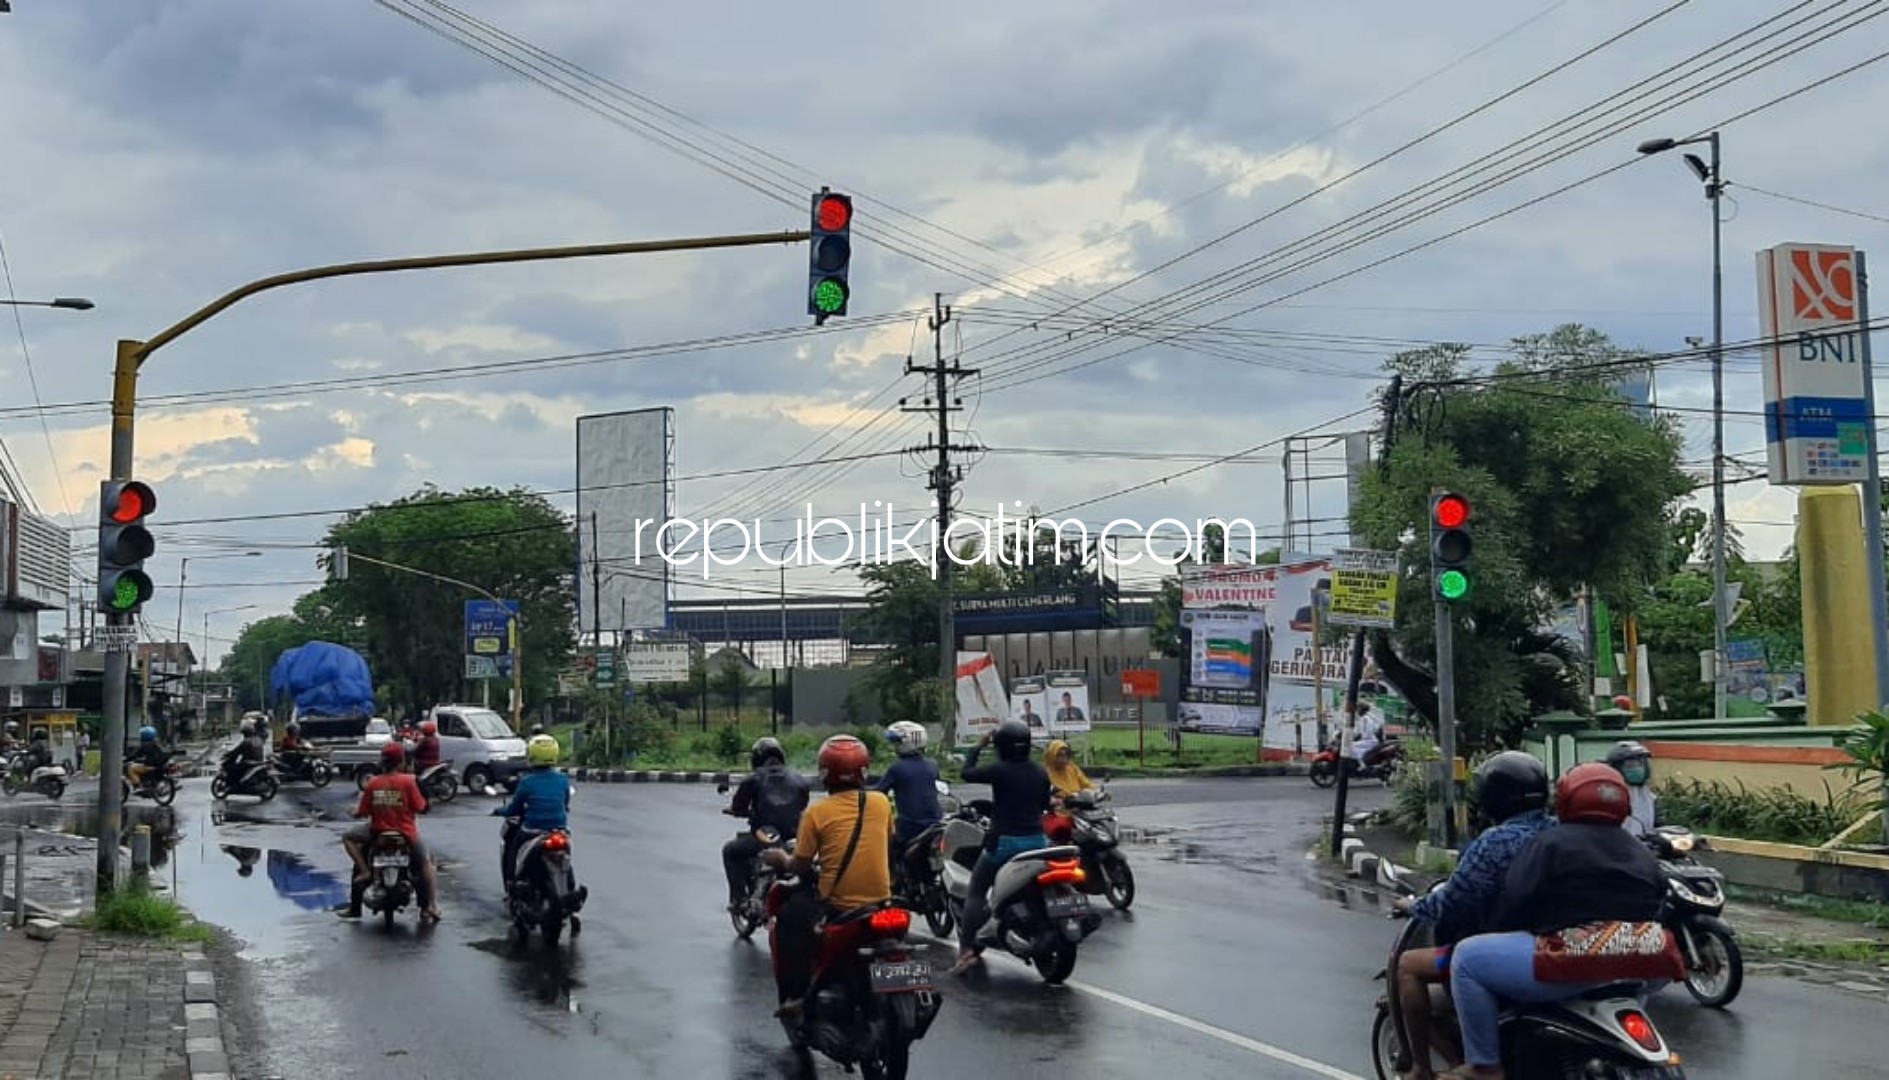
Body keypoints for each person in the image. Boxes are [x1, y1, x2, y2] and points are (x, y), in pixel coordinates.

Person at [1445, 764, 1684, 1079]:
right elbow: (1660, 901)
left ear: (1566, 800)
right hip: (1644, 962)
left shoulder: (1551, 843)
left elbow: (1516, 898)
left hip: (1575, 960)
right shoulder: (1640, 850)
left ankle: (1484, 1066)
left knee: (1467, 958)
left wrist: (1500, 930)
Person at [1389, 751, 1554, 1080]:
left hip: (1507, 946)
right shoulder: (1559, 831)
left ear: (1494, 798)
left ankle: (1422, 1068)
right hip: (1559, 941)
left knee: (1408, 965)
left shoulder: (1495, 842)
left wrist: (1413, 905)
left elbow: (1453, 901)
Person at [761, 734, 894, 1017]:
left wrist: (781, 858)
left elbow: (800, 865)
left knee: (787, 918)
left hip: (838, 904)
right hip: (881, 901)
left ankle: (797, 995)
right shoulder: (881, 802)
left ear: (824, 774)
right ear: (864, 770)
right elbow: (887, 839)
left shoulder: (816, 813)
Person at [950, 718, 1052, 976]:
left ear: (1001, 747)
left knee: (976, 890)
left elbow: (966, 773)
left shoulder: (1000, 770)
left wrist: (978, 746)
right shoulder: (1040, 772)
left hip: (1005, 844)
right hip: (1038, 842)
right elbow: (1044, 805)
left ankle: (966, 950)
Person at [341, 741, 440, 923]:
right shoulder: (409, 781)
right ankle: (429, 907)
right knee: (425, 863)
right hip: (406, 835)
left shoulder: (373, 782)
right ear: (401, 761)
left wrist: (352, 811)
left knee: (348, 838)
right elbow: (420, 807)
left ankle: (363, 879)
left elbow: (362, 812)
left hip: (377, 833)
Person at [490, 734, 584, 904]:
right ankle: (571, 888)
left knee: (513, 849)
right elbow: (565, 803)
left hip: (533, 830)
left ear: (532, 755)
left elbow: (514, 809)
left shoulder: (527, 782)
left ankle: (511, 884)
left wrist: (499, 811)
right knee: (566, 857)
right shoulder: (563, 780)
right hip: (558, 829)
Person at [722, 737, 812, 909]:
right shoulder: (799, 780)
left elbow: (739, 806)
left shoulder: (753, 779)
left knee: (730, 851)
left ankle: (739, 900)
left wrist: (736, 811)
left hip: (767, 834)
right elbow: (803, 804)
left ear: (756, 758)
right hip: (795, 835)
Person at [875, 721, 943, 890]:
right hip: (936, 824)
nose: (895, 747)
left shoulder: (897, 768)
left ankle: (892, 882)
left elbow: (878, 792)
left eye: (897, 742)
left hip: (910, 826)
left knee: (885, 847)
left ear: (907, 743)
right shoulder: (933, 765)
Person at [1604, 740, 1658, 838]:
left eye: (1640, 763)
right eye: (1631, 765)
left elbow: (1658, 825)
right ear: (1617, 768)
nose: (1637, 768)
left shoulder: (1650, 798)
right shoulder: (1610, 797)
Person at [1351, 687, 1386, 767]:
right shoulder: (1368, 717)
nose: (1357, 711)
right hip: (1371, 740)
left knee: (1352, 747)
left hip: (1370, 741)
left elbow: (1364, 733)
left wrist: (1356, 737)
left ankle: (1361, 764)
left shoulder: (1366, 718)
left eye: (1358, 709)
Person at [127, 726, 169, 792]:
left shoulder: (145, 745)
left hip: (151, 766)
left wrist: (127, 759)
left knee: (131, 768)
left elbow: (136, 754)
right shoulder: (158, 743)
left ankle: (138, 785)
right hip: (161, 765)